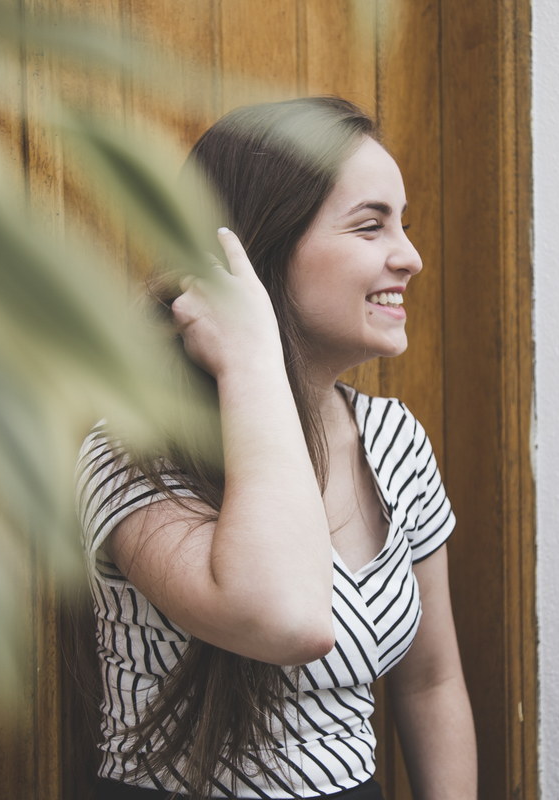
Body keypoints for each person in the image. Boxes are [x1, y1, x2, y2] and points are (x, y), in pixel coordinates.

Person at [77, 97, 476, 800]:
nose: (410, 258)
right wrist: (252, 358)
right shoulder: (135, 447)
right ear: (259, 247)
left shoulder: (396, 442)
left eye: (403, 225)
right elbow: (286, 620)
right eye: (370, 225)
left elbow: (432, 682)